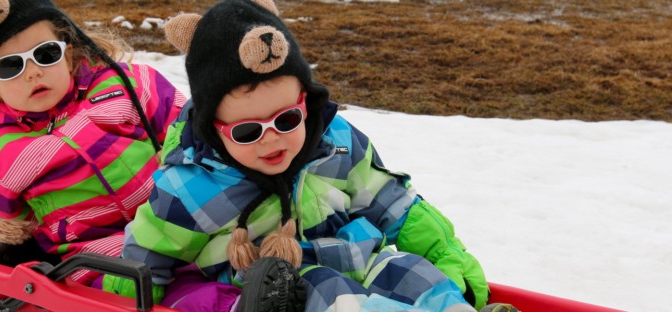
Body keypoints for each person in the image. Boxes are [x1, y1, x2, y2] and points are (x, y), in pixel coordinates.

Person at [103, 0, 511, 311]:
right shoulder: (192, 185)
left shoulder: (335, 143)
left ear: (306, 103)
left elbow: (394, 204)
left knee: (413, 273)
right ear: (214, 127)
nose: (271, 141)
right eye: (247, 131)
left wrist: (446, 257)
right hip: (278, 291)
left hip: (357, 255)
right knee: (333, 296)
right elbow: (148, 251)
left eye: (286, 120)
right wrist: (118, 301)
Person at [0, 0, 184, 285]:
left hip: (174, 212)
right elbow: (9, 219)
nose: (33, 72)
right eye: (10, 66)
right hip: (95, 251)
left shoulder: (127, 85)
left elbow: (186, 127)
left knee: (220, 252)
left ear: (68, 55)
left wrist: (178, 157)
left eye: (45, 54)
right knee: (141, 285)